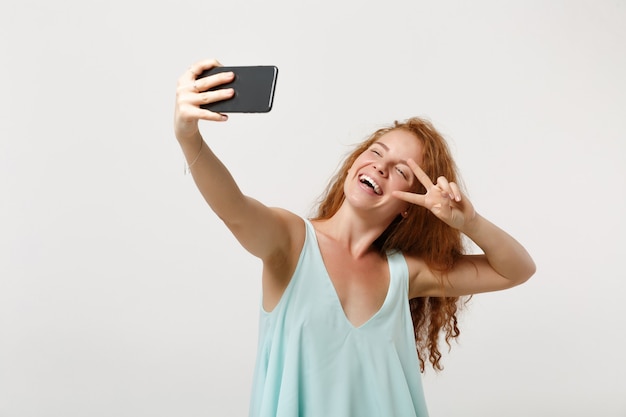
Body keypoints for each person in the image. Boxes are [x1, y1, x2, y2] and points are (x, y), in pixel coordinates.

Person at [174, 58, 536, 417]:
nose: (381, 166)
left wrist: (468, 222)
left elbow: (516, 270)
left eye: (402, 171)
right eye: (377, 152)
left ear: (410, 206)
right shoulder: (292, 240)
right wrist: (189, 139)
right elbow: (233, 209)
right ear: (354, 164)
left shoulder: (404, 274)